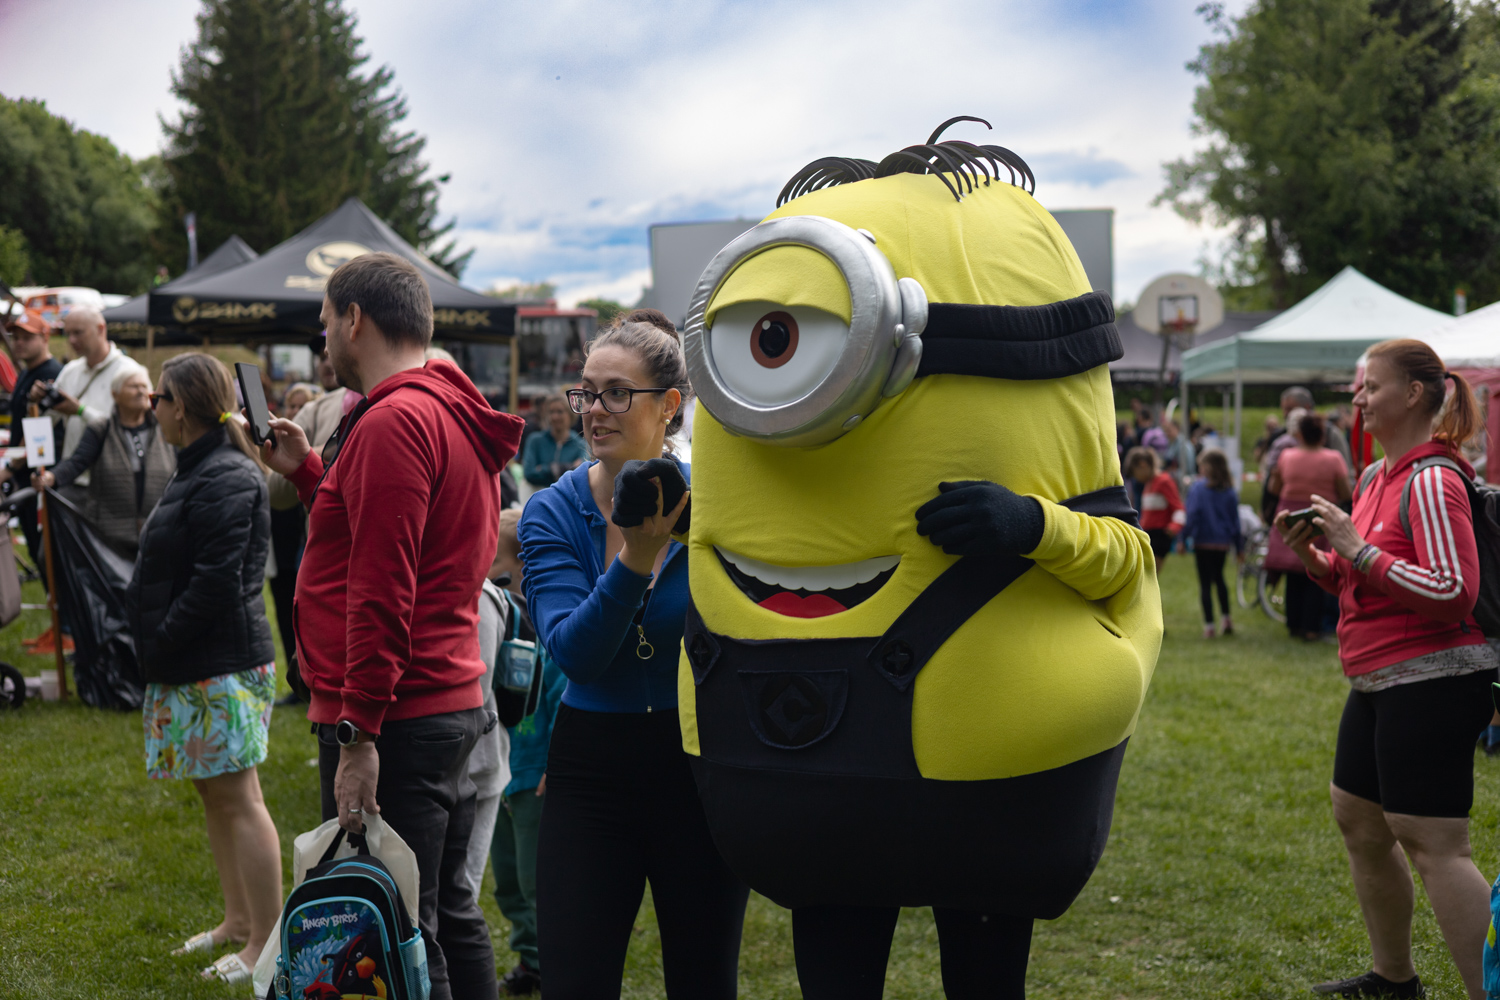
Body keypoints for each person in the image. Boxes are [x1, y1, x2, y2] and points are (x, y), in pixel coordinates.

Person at [261, 252, 524, 1000]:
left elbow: (382, 590)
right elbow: (399, 541)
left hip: (399, 715)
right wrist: (309, 472)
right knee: (435, 919)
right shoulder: (445, 407)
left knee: (393, 937)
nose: (322, 344)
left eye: (324, 324)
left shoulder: (396, 419)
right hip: (443, 698)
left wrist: (359, 734)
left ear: (355, 319)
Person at [519, 319, 749, 998]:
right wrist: (636, 560)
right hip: (592, 770)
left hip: (697, 765)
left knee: (705, 980)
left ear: (669, 405)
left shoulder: (720, 502)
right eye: (587, 392)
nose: (594, 410)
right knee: (575, 982)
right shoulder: (553, 512)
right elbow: (576, 654)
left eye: (617, 393)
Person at [1275, 339, 1496, 1000]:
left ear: (1414, 394)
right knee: (1361, 820)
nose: (1358, 398)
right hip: (1379, 680)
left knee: (1435, 845)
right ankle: (1393, 980)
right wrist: (1320, 559)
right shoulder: (1376, 477)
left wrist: (1357, 549)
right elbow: (1363, 579)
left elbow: (1453, 590)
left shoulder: (1433, 479)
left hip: (1434, 678)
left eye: (1371, 386)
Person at [126, 353, 280, 986]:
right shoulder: (201, 465)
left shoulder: (225, 474)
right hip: (197, 661)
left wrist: (162, 639)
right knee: (214, 794)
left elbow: (216, 581)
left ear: (181, 406)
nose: (151, 408)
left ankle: (265, 943)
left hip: (219, 663)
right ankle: (238, 923)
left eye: (157, 397)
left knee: (239, 799)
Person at [488, 508, 563, 997]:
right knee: (508, 880)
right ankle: (529, 957)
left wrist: (557, 763)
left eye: (490, 559)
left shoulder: (548, 631)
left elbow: (565, 700)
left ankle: (556, 960)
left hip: (535, 776)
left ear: (522, 566)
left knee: (538, 881)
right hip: (498, 773)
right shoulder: (491, 623)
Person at [265, 351, 349, 705]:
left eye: (330, 331)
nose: (326, 356)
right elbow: (277, 491)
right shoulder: (323, 409)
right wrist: (304, 466)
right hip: (315, 543)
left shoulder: (396, 410)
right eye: (319, 352)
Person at [33, 369, 175, 560]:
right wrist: (51, 477)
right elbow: (77, 462)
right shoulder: (102, 429)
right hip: (110, 537)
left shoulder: (164, 428)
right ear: (115, 394)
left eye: (145, 386)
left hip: (156, 533)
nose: (141, 391)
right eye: (134, 386)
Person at [1266, 411, 1351, 641]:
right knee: (1316, 569)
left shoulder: (1287, 456)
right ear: (1322, 435)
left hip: (1290, 516)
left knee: (1293, 571)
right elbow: (1345, 492)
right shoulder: (1333, 458)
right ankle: (1312, 627)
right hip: (1319, 517)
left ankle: (1293, 623)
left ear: (1300, 434)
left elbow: (1274, 488)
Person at [31, 307, 146, 475]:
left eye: (78, 332)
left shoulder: (130, 372)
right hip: (71, 477)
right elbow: (41, 426)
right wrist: (35, 403)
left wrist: (80, 410)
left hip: (114, 479)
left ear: (100, 329)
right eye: (68, 333)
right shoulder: (70, 371)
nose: (72, 340)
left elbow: (136, 429)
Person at [2, 311, 62, 570]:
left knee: (48, 555)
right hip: (25, 477)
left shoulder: (51, 375)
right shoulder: (27, 372)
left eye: (27, 338)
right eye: (16, 337)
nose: (19, 343)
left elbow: (39, 431)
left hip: (42, 478)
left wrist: (7, 469)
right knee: (38, 552)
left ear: (45, 337)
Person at [1184, 448, 1243, 638]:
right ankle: (1226, 618)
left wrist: (1183, 537)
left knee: (1205, 584)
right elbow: (1235, 522)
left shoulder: (1198, 489)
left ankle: (1209, 625)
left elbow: (1192, 515)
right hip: (1222, 543)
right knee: (1219, 579)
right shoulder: (1230, 492)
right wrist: (1239, 547)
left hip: (1203, 541)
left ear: (1208, 467)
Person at [1126, 446, 1183, 575]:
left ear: (1143, 465)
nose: (1136, 477)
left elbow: (1179, 508)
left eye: (1135, 472)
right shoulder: (1149, 484)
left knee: (1149, 575)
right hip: (1148, 534)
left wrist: (1174, 527)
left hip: (1160, 535)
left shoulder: (1164, 481)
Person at [521, 394, 588, 488]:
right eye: (551, 412)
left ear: (570, 414)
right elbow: (529, 473)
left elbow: (582, 474)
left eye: (560, 412)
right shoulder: (535, 441)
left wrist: (544, 469)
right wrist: (568, 467)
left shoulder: (581, 445)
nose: (555, 417)